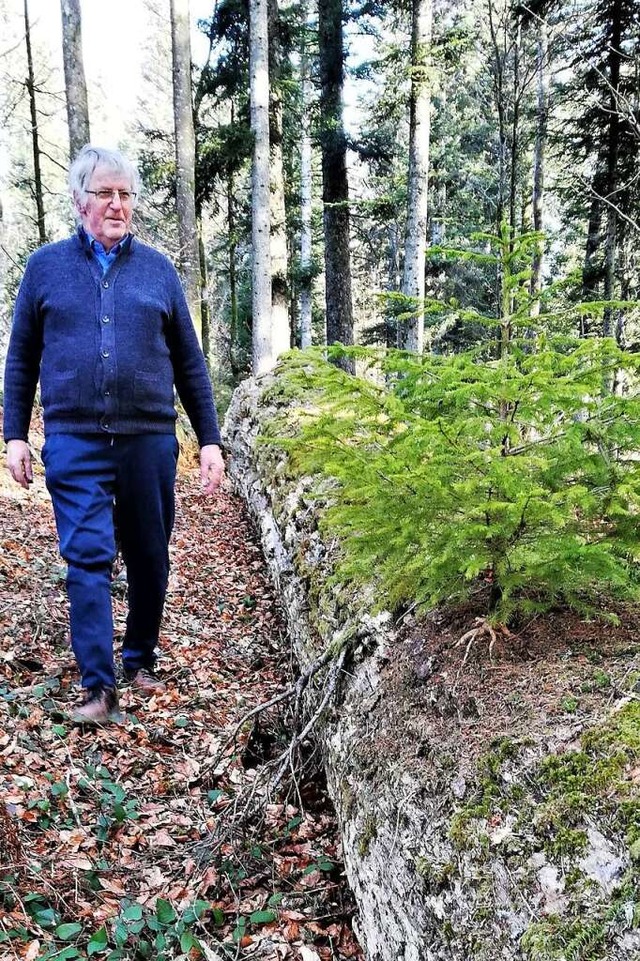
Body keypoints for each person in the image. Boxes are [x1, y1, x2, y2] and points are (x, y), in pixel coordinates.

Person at [3, 145, 225, 724]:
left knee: (150, 555)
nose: (118, 204)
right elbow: (21, 357)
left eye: (126, 194)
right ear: (80, 201)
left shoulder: (158, 271)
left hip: (149, 438)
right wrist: (15, 435)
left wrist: (209, 439)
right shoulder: (44, 269)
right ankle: (98, 689)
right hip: (74, 439)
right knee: (88, 557)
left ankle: (140, 659)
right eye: (106, 193)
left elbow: (190, 362)